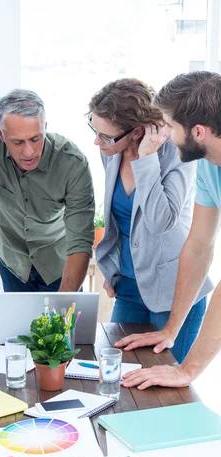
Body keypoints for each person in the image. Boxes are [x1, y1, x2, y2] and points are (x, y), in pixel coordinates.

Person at [0, 89, 95, 336]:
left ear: (45, 127)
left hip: (60, 262)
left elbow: (80, 240)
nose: (29, 152)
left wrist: (64, 302)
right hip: (13, 259)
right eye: (17, 142)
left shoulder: (72, 162)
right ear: (1, 134)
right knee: (19, 337)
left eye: (36, 139)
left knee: (62, 341)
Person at [88, 78, 212, 364]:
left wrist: (146, 159)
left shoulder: (180, 153)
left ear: (137, 132)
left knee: (163, 384)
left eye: (106, 136)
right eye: (96, 132)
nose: (98, 141)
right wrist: (113, 266)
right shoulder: (111, 151)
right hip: (129, 286)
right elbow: (120, 219)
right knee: (118, 372)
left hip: (173, 289)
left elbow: (160, 222)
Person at [114, 71, 221, 390]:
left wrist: (186, 370)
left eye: (170, 127)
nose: (166, 137)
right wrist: (171, 329)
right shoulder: (207, 163)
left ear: (197, 131)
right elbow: (198, 245)